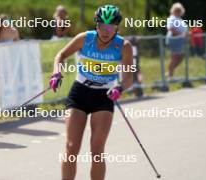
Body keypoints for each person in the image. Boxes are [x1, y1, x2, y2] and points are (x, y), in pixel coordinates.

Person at [49, 5, 133, 180]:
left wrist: (119, 88)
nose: (106, 30)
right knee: (71, 146)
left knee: (97, 150)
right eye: (102, 25)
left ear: (117, 27)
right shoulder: (84, 39)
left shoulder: (123, 46)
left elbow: (128, 78)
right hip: (80, 93)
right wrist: (57, 72)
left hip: (104, 96)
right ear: (96, 24)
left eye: (111, 26)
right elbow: (61, 55)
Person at [166, 2, 188, 78]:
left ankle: (170, 71)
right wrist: (181, 34)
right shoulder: (172, 18)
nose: (178, 11)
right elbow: (171, 29)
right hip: (174, 40)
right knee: (175, 57)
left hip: (180, 40)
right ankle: (170, 75)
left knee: (181, 56)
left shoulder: (179, 19)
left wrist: (185, 35)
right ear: (173, 10)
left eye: (179, 10)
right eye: (176, 10)